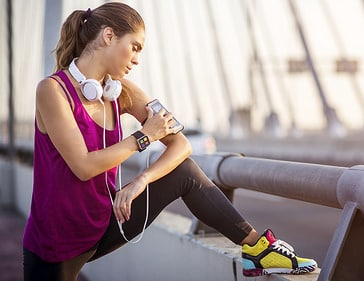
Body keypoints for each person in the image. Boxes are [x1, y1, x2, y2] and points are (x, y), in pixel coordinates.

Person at [22, 2, 317, 280]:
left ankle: (259, 248)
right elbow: (84, 167)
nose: (137, 59)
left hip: (105, 220)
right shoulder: (52, 90)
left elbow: (181, 144)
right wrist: (144, 136)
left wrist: (140, 181)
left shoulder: (120, 91)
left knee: (185, 172)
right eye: (134, 47)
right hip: (55, 242)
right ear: (109, 36)